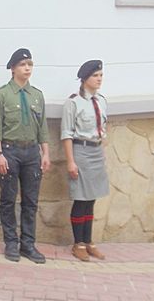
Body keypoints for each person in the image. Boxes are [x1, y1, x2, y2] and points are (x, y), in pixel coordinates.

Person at [0, 48, 51, 263]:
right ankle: (11, 243)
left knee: (30, 202)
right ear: (13, 68)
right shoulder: (2, 94)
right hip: (10, 152)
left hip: (32, 153)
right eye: (23, 64)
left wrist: (45, 153)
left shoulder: (37, 96)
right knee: (8, 199)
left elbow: (42, 127)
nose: (27, 68)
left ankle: (28, 245)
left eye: (30, 64)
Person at [60, 59, 110, 262]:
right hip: (81, 152)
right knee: (80, 199)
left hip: (96, 152)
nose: (99, 79)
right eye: (95, 76)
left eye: (100, 76)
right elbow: (66, 134)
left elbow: (102, 129)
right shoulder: (73, 102)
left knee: (92, 200)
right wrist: (71, 161)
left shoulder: (102, 100)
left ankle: (89, 242)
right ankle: (78, 243)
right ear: (84, 79)